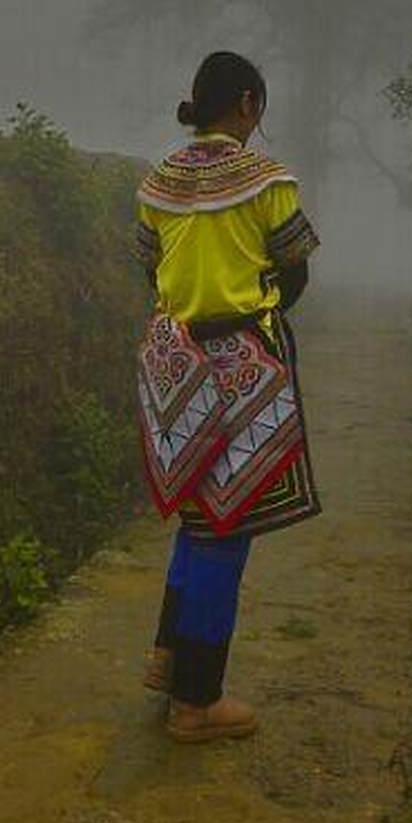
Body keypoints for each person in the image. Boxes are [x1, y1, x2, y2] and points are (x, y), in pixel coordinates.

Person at [134, 51, 321, 744]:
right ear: (247, 103)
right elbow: (295, 268)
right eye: (259, 108)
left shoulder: (156, 184)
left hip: (172, 359)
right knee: (228, 525)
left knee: (195, 510)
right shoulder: (268, 181)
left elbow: (150, 268)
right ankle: (196, 701)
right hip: (243, 362)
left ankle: (166, 656)